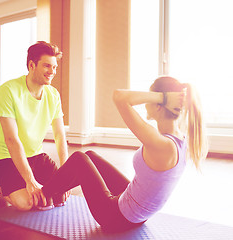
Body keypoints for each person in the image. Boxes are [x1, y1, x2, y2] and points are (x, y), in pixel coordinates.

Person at [39, 76, 208, 231]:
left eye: (150, 97)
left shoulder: (161, 144)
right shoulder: (180, 138)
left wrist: (161, 96)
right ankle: (58, 191)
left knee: (78, 159)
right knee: (90, 155)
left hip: (116, 218)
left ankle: (42, 196)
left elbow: (119, 97)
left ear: (158, 104)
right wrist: (163, 97)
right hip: (138, 214)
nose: (145, 102)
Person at [0, 41, 70, 211]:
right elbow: (11, 139)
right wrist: (30, 180)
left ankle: (23, 179)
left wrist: (65, 175)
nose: (52, 71)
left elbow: (59, 135)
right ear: (31, 65)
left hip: (35, 155)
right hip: (5, 155)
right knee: (27, 203)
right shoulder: (8, 91)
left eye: (55, 67)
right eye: (47, 66)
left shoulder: (53, 94)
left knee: (58, 195)